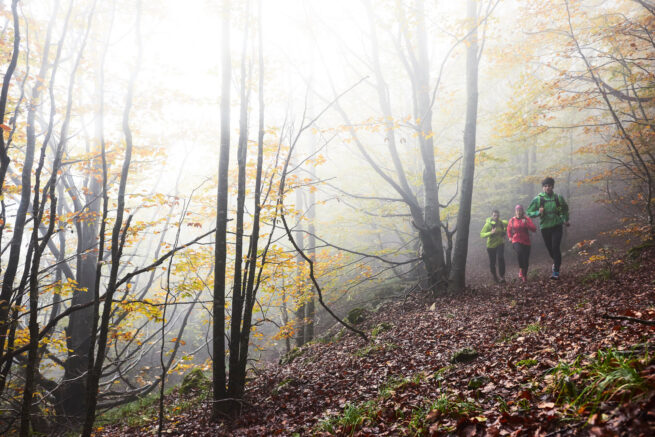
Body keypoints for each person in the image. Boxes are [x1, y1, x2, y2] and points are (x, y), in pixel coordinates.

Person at [526, 177, 570, 280]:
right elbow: (528, 213)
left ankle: (556, 271)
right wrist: (538, 212)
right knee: (550, 250)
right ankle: (556, 263)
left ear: (552, 186)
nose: (547, 188)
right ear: (542, 188)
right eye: (545, 186)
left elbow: (565, 209)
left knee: (555, 247)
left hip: (557, 225)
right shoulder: (538, 199)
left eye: (549, 185)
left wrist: (565, 219)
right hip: (545, 227)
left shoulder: (558, 198)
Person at [507, 204, 537, 282]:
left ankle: (524, 275)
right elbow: (508, 229)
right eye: (517, 210)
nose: (519, 212)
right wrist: (510, 237)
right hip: (516, 240)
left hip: (526, 241)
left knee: (526, 259)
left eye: (520, 210)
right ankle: (521, 268)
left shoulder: (527, 219)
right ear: (515, 211)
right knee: (520, 252)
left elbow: (534, 229)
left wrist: (526, 223)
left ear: (522, 211)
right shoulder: (512, 220)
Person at [480, 209, 508, 283]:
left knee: (501, 257)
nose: (496, 217)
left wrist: (504, 232)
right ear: (492, 216)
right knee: (492, 262)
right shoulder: (488, 224)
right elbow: (482, 234)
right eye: (494, 215)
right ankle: (495, 276)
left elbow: (509, 224)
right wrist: (490, 233)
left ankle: (502, 276)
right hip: (491, 246)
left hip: (500, 243)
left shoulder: (501, 222)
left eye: (497, 215)